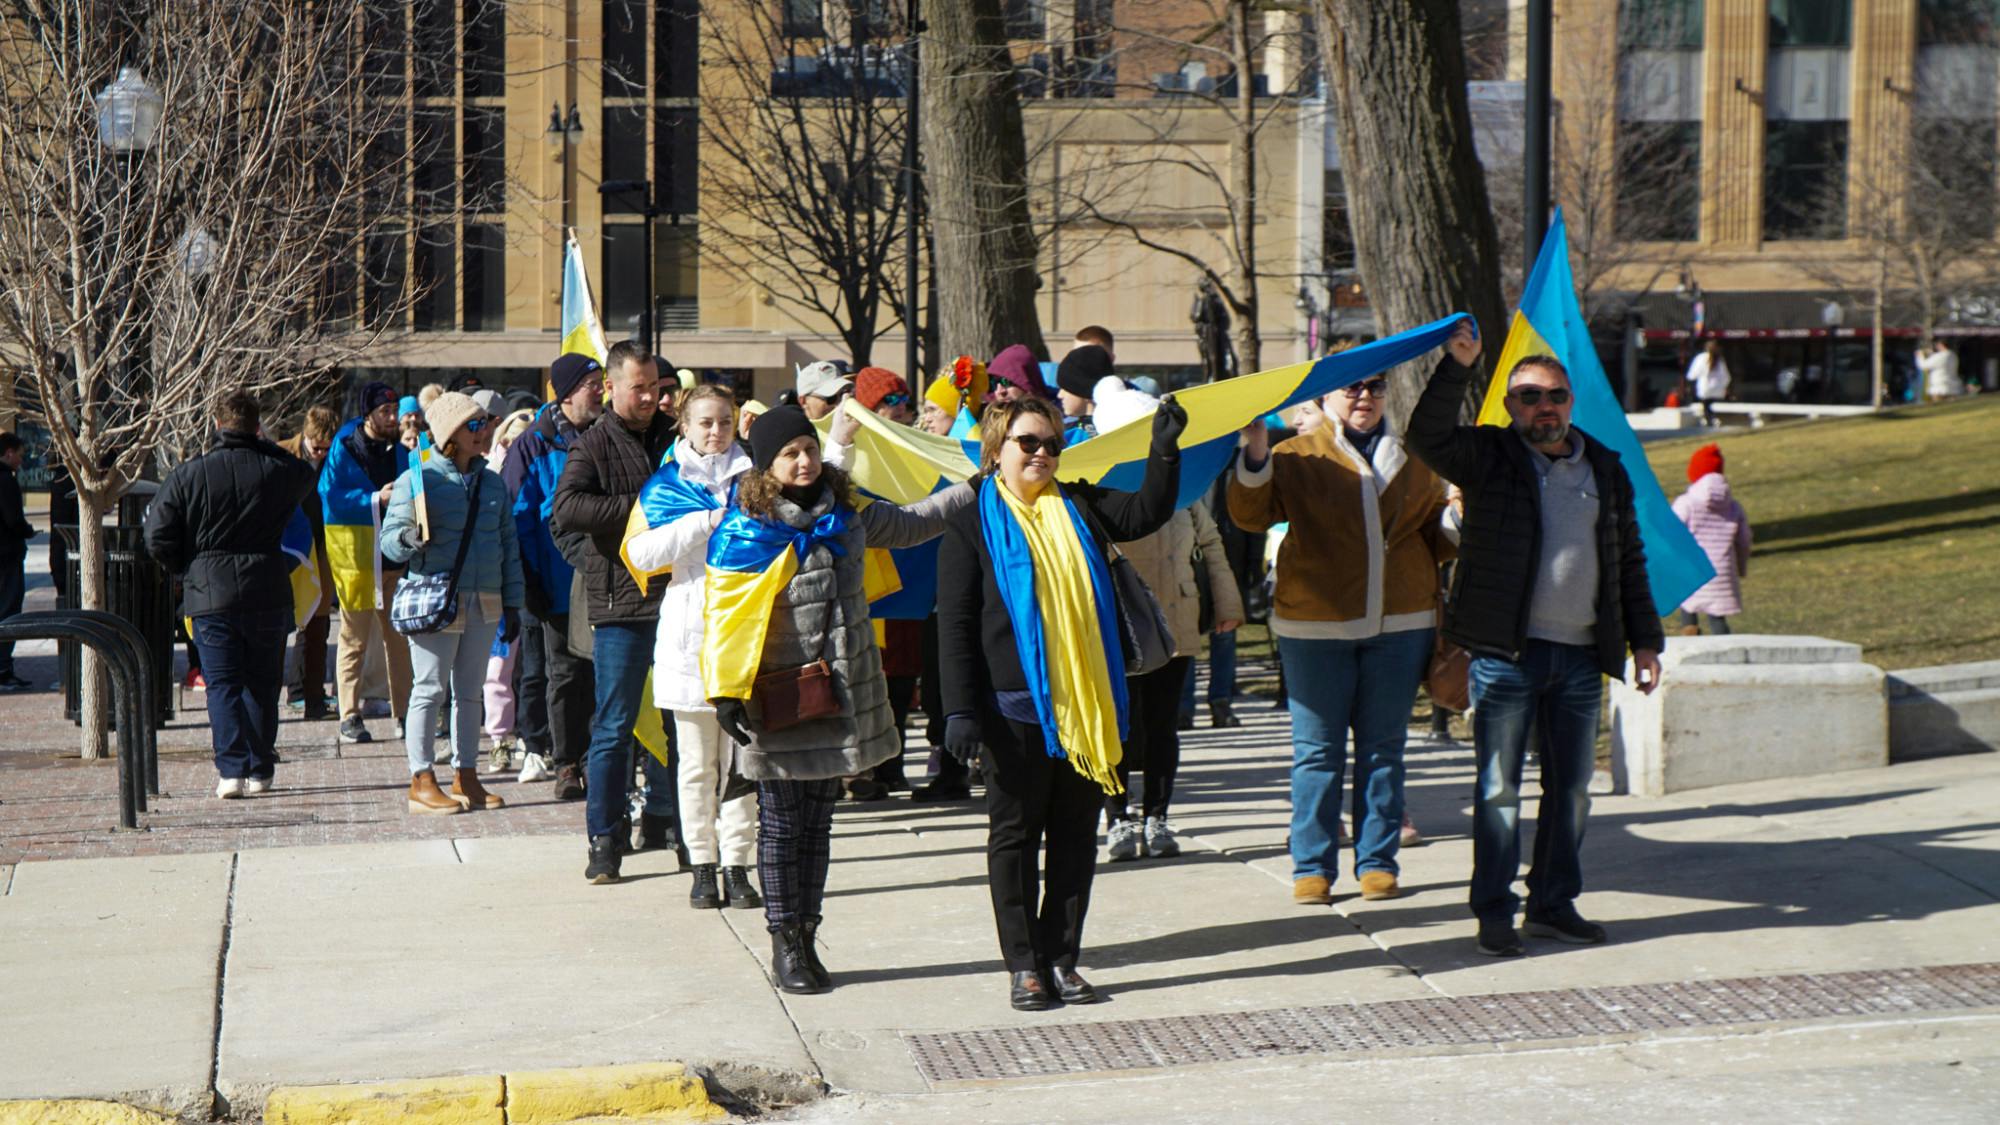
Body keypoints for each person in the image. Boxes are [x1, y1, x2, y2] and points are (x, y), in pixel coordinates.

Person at [1406, 323, 1664, 957]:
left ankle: (1552, 904)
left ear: (1570, 402)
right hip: (1506, 656)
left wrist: (1645, 642)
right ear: (1509, 407)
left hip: (1581, 659)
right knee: (1498, 791)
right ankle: (1494, 909)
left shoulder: (1605, 465)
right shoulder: (1488, 457)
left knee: (1572, 791)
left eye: (1554, 396)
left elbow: (1628, 558)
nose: (1543, 407)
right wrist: (1457, 367)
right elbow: (1426, 436)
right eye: (1528, 397)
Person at [704, 405, 972, 993]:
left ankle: (808, 932)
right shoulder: (746, 528)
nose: (803, 462)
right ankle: (784, 945)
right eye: (789, 454)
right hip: (777, 697)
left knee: (818, 824)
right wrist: (724, 692)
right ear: (766, 465)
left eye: (809, 448)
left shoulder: (845, 512)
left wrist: (973, 488)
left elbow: (907, 524)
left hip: (838, 693)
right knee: (780, 824)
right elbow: (723, 618)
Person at [937, 394, 1185, 1011]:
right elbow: (956, 625)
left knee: (1075, 836)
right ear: (998, 450)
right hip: (1009, 709)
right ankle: (1024, 964)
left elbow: (1148, 510)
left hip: (1088, 704)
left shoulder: (1080, 503)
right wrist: (959, 710)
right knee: (1015, 836)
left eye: (1051, 442)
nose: (1044, 453)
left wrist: (1163, 448)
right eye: (1029, 442)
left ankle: (1062, 958)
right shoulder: (971, 520)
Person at [1231, 371, 1455, 905]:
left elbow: (1435, 542)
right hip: (1314, 625)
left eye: (1375, 387)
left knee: (1384, 749)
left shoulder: (1414, 458)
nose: (1365, 397)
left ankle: (1377, 861)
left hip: (1401, 622)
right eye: (1351, 387)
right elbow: (1249, 516)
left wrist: (1456, 520)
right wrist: (1257, 452)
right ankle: (1312, 865)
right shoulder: (1297, 454)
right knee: (1317, 752)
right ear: (1325, 397)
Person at [1087, 380, 1239, 863]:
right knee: (1116, 726)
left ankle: (1157, 816)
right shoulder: (1095, 482)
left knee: (1161, 726)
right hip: (1116, 623)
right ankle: (1118, 818)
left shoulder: (1182, 483)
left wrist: (1228, 602)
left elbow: (1210, 542)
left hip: (1175, 620)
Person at [624, 384, 762, 911]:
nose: (715, 431)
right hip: (688, 637)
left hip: (745, 636)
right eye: (704, 422)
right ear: (683, 426)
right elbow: (639, 551)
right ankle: (702, 865)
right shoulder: (666, 484)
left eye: (724, 421)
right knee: (698, 765)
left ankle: (739, 866)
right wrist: (703, 523)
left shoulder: (754, 479)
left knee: (744, 763)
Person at [143, 389, 316, 797]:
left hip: (210, 591)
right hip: (267, 588)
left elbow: (156, 536)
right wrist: (266, 444)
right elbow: (306, 473)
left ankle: (232, 771)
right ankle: (259, 768)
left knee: (222, 684)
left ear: (216, 425)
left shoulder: (190, 473)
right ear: (258, 427)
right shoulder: (276, 469)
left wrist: (187, 565)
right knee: (262, 682)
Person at [552, 342, 681, 880]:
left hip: (679, 603)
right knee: (613, 726)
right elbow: (567, 510)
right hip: (621, 608)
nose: (651, 397)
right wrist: (639, 512)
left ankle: (672, 821)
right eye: (640, 388)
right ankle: (604, 839)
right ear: (612, 388)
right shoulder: (595, 443)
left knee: (680, 722)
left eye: (656, 387)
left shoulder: (677, 438)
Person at [380, 392, 522, 813]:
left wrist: (513, 604)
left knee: (471, 693)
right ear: (449, 435)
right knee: (429, 689)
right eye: (474, 425)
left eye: (485, 424)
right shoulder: (418, 480)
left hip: (486, 599)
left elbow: (508, 546)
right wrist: (411, 538)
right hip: (436, 597)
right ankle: (421, 778)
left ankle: (467, 775)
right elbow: (389, 541)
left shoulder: (492, 482)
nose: (484, 432)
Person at [504, 354, 605, 793]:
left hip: (606, 581)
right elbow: (516, 517)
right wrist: (529, 584)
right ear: (566, 395)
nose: (601, 391)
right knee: (563, 676)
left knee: (605, 676)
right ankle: (566, 763)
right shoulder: (532, 444)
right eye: (593, 385)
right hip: (556, 586)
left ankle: (597, 759)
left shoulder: (607, 436)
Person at [322, 381, 414, 745]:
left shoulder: (403, 451)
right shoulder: (344, 447)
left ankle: (405, 712)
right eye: (385, 412)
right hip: (356, 561)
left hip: (393, 558)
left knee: (399, 639)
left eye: (395, 411)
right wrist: (378, 498)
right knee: (353, 639)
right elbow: (331, 496)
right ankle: (349, 714)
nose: (393, 418)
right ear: (368, 415)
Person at [278, 407, 339, 719]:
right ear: (306, 434)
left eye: (327, 446)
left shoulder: (334, 459)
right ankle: (290, 691)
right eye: (317, 445)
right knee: (279, 621)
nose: (322, 451)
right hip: (286, 546)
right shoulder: (282, 453)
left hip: (321, 546)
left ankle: (312, 699)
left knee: (317, 622)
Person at [1672, 443, 1751, 636]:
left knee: (1688, 606)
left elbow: (1673, 534)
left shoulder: (1686, 504)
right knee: (1717, 618)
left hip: (1692, 569)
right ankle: (1723, 646)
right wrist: (1741, 567)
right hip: (1721, 571)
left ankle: (1689, 632)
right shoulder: (1733, 506)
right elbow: (1744, 539)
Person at [0, 432, 39, 691]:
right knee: (8, 610)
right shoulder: (6, 481)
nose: (21, 462)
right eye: (20, 456)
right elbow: (13, 519)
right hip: (6, 556)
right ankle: (3, 666)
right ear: (9, 452)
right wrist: (27, 531)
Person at [1055, 345, 1113, 441]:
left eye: (1065, 389)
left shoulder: (1112, 429)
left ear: (1085, 391)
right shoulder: (1065, 430)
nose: (1059, 395)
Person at [985, 345, 1055, 405]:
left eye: (1005, 381)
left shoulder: (1059, 414)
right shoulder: (987, 417)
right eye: (993, 384)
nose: (999, 391)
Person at [1686, 340, 1730, 428]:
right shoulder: (1720, 359)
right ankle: (1713, 419)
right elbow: (1726, 377)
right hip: (1718, 391)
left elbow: (1692, 374)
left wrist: (1691, 378)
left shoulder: (1701, 358)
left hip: (1705, 390)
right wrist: (1723, 386)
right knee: (1712, 407)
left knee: (1706, 406)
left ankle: (1710, 421)